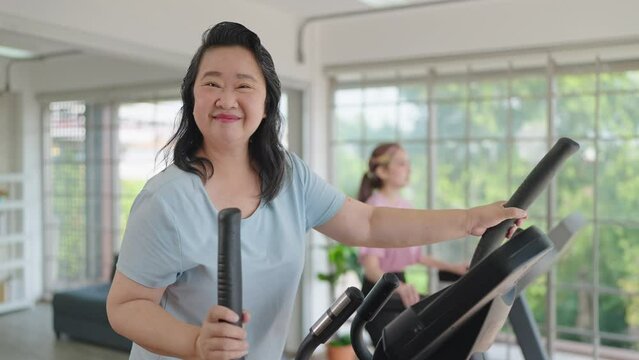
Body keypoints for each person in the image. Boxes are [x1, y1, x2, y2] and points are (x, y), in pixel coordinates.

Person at [106, 22, 526, 360]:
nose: (226, 99)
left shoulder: (288, 176)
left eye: (244, 86)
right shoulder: (166, 200)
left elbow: (368, 222)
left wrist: (470, 220)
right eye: (211, 84)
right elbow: (124, 306)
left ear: (267, 102)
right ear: (192, 98)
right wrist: (195, 343)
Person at [357, 142, 469, 344]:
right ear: (382, 171)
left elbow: (416, 255)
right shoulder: (374, 208)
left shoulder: (404, 206)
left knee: (447, 323)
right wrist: (399, 288)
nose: (408, 168)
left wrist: (453, 267)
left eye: (407, 163)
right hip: (379, 293)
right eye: (401, 163)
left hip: (400, 285)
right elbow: (371, 268)